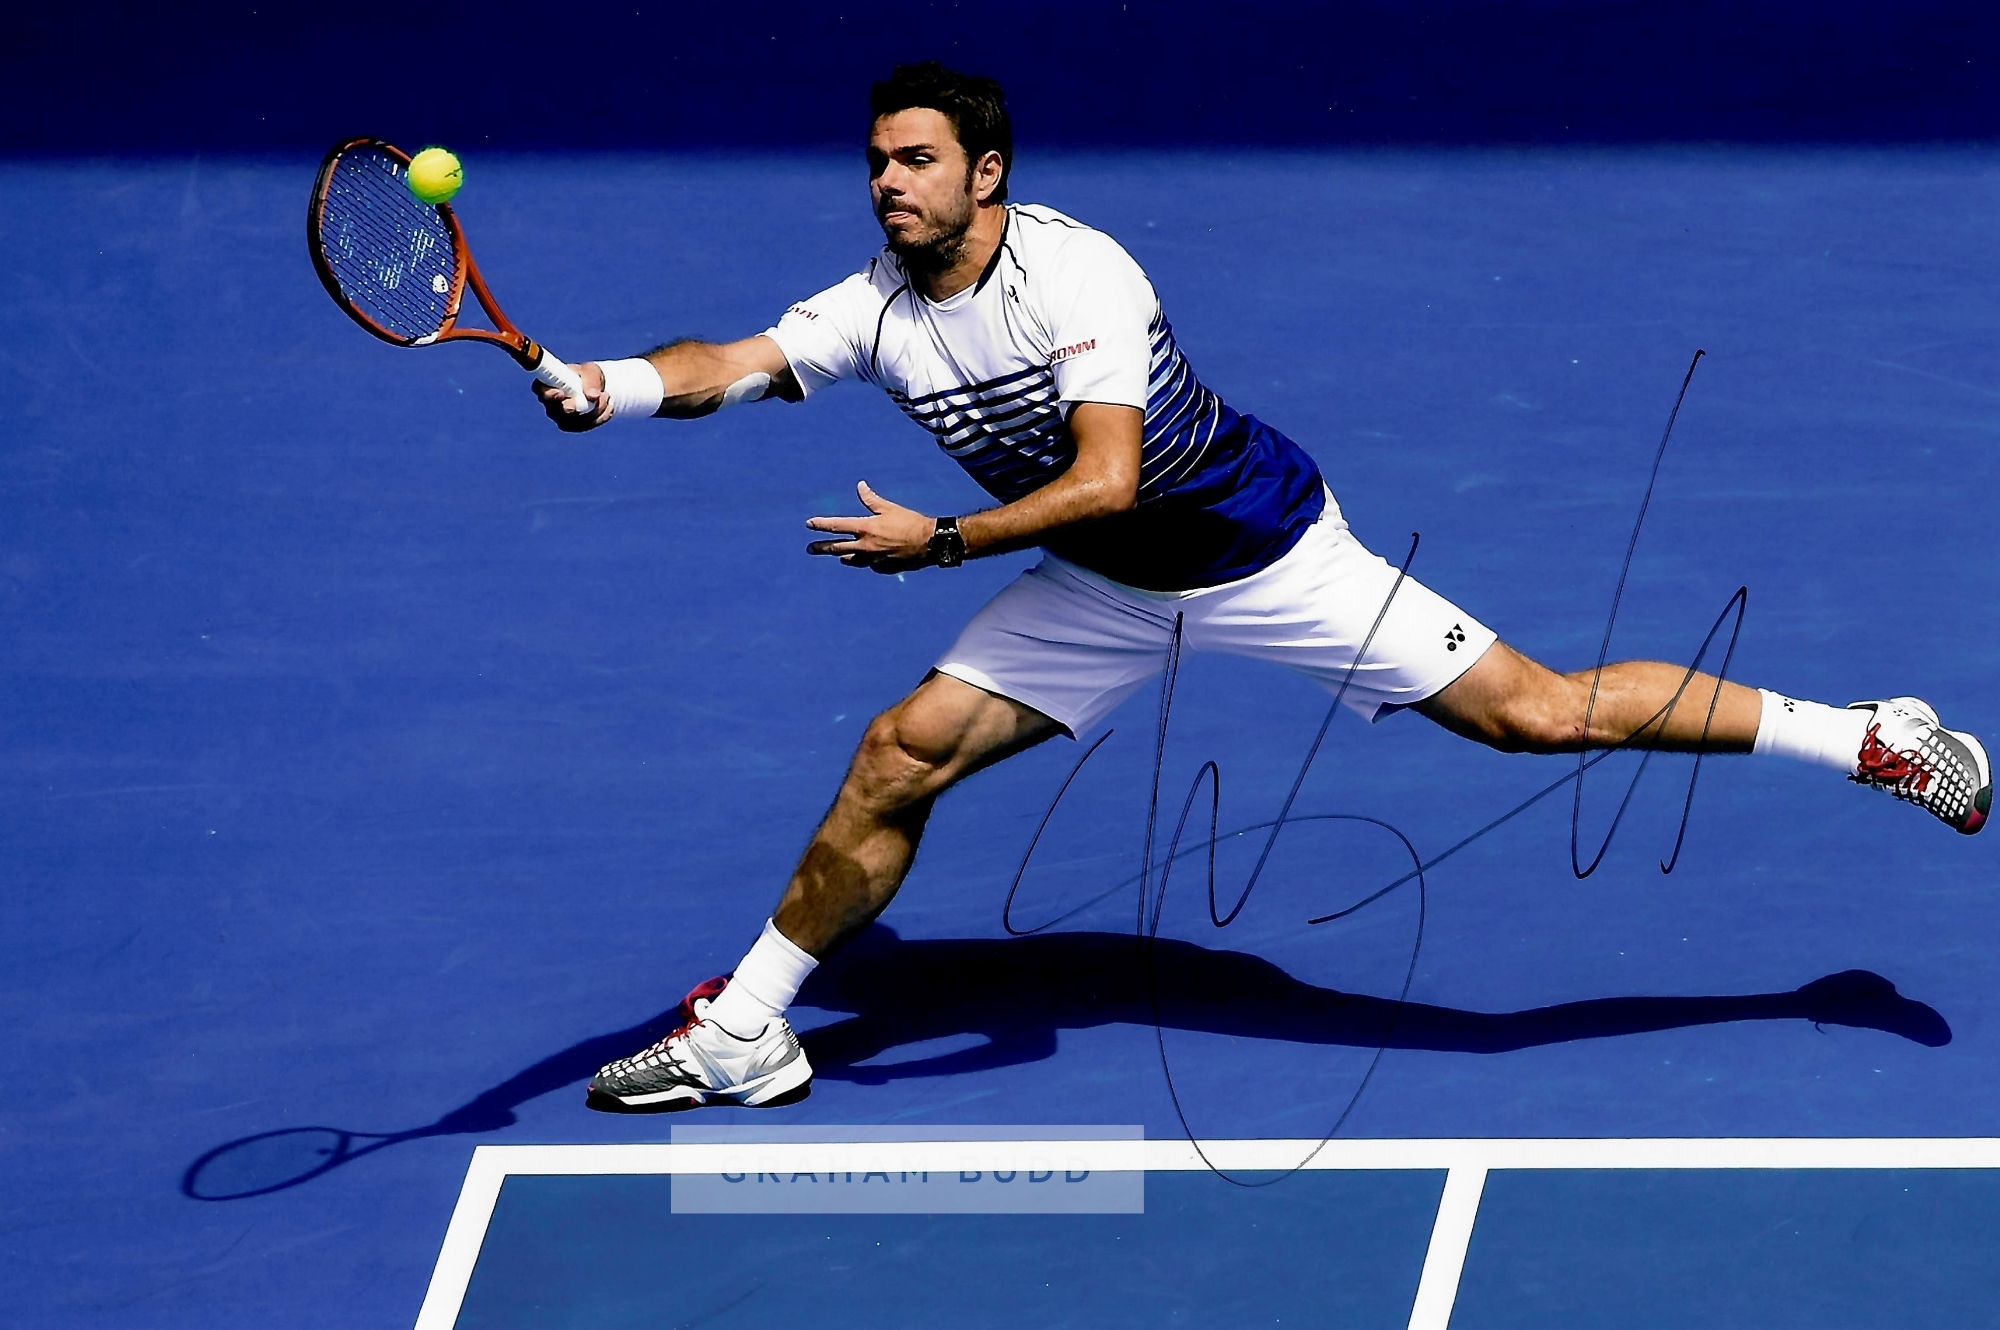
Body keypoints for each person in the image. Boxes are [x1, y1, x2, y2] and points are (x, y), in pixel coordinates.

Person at [535, 61, 1990, 1112]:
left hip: (1263, 556)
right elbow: (732, 364)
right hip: (1104, 588)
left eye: (913, 160)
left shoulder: (1080, 276)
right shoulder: (872, 304)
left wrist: (947, 546)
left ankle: (1863, 729)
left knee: (1536, 718)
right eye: (874, 161)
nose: (885, 184)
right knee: (897, 752)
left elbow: (1109, 476)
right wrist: (607, 387)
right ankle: (751, 1032)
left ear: (987, 173)